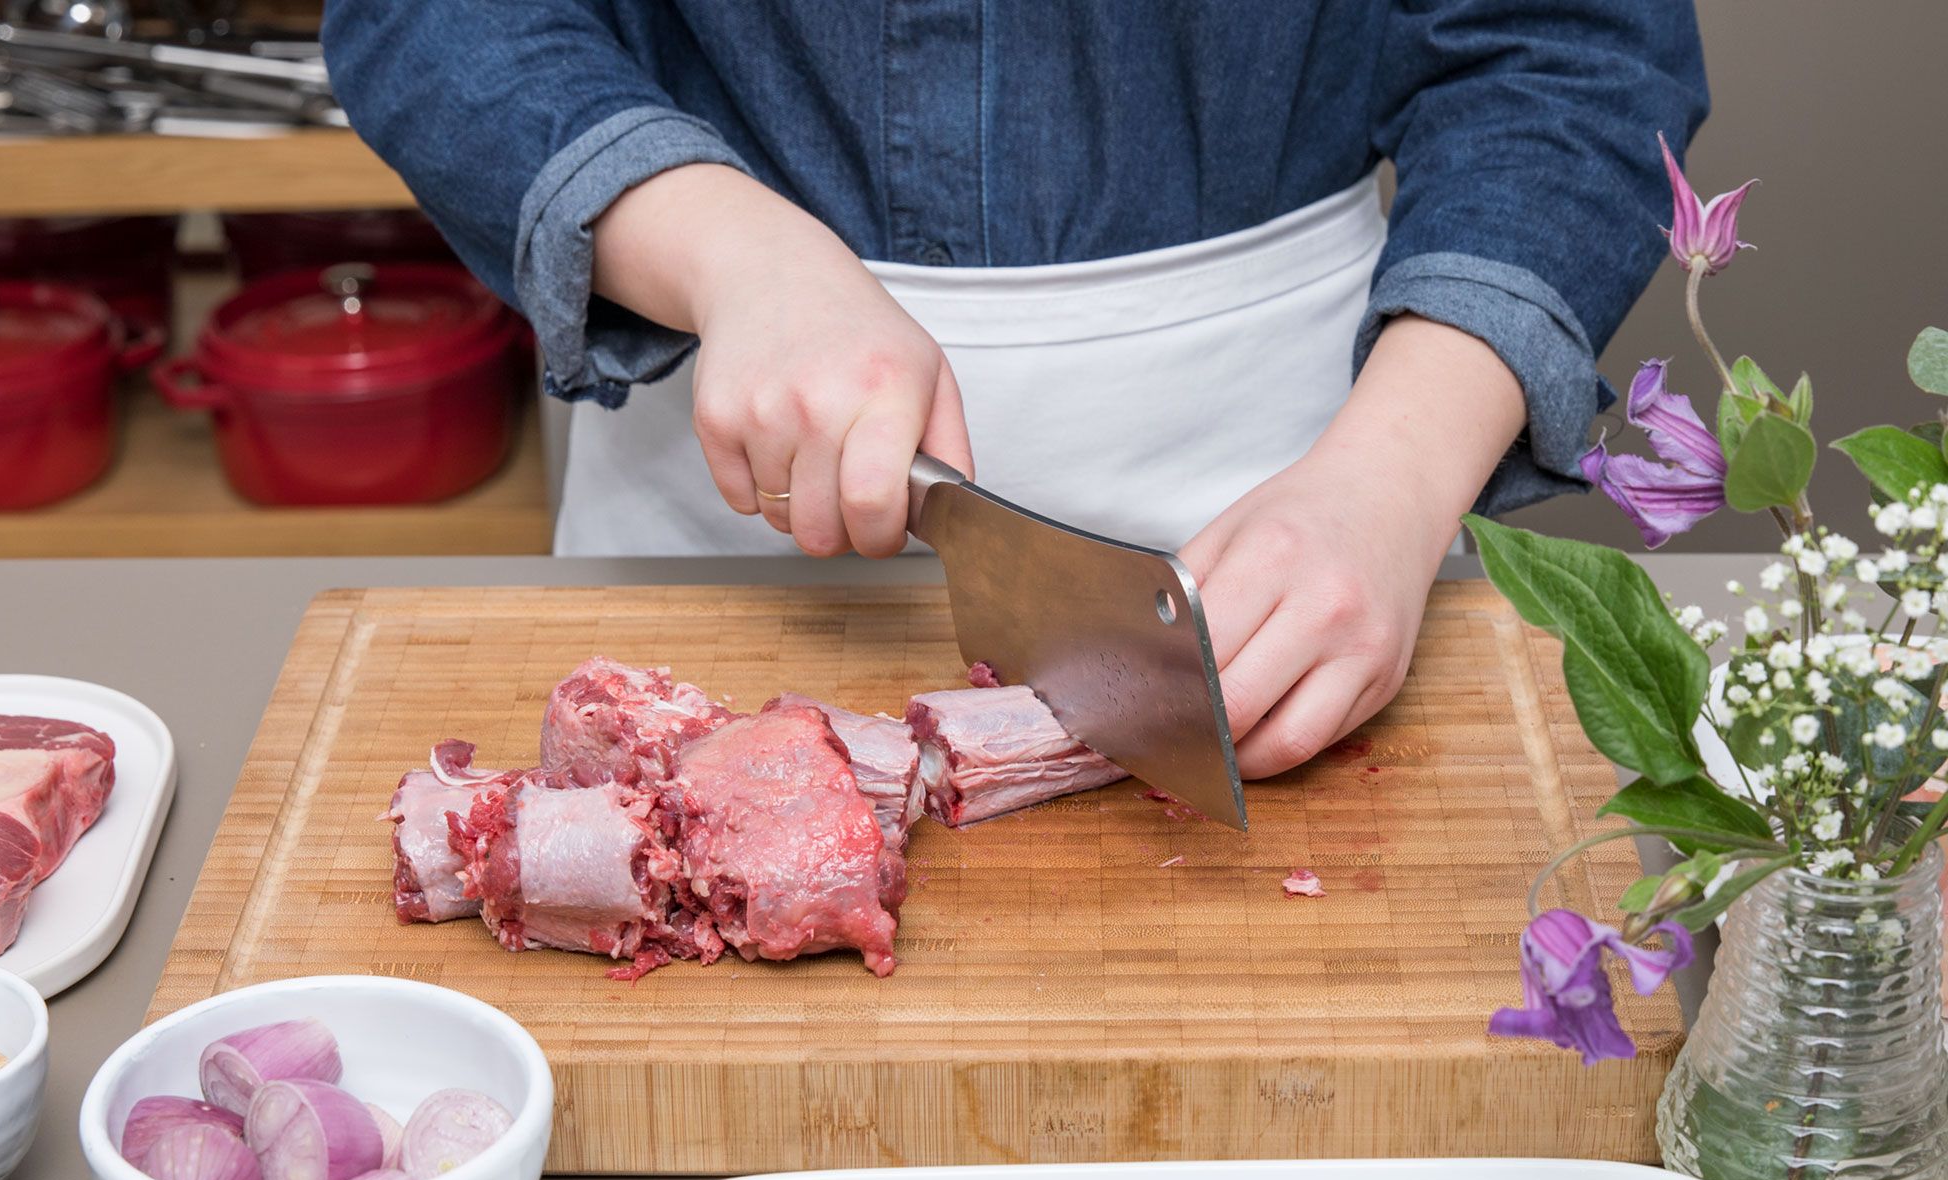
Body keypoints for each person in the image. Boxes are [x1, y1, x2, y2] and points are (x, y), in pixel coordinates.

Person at [322, 3, 1706, 778]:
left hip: (1315, 500)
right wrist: (728, 249)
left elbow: (1573, 51)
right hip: (717, 498)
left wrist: (1397, 475)